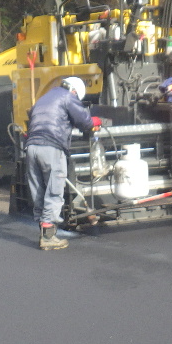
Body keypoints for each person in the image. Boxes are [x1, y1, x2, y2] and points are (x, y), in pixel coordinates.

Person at [24, 76, 100, 251]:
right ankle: (49, 237)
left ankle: (43, 231)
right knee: (54, 190)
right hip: (51, 148)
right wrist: (93, 123)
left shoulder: (45, 97)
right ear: (74, 91)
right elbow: (84, 120)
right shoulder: (68, 97)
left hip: (32, 147)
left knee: (38, 191)